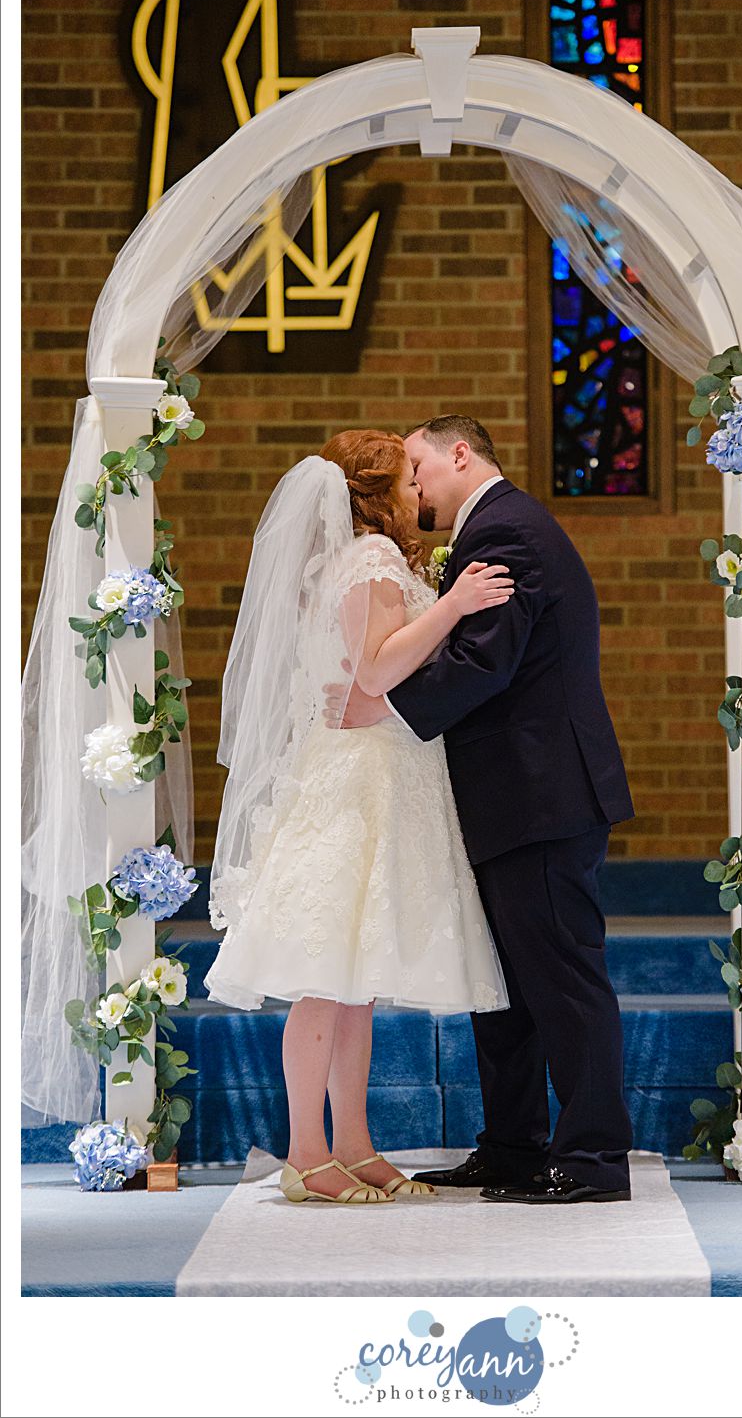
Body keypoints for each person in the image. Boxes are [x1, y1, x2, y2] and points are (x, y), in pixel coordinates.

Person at [327, 415, 636, 1204]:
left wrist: (380, 706)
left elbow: (483, 662)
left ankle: (593, 1157)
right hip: (512, 794)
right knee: (508, 986)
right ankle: (512, 1145)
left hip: (542, 791)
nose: (414, 483)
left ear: (460, 454)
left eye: (420, 464)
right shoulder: (493, 528)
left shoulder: (508, 530)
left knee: (561, 978)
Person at [205, 429, 514, 1206]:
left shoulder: (363, 559)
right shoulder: (371, 557)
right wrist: (454, 605)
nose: (420, 489)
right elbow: (375, 670)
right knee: (324, 973)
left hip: (381, 769)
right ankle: (305, 1153)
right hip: (357, 779)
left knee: (355, 982)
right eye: (409, 478)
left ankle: (353, 1144)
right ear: (380, 494)